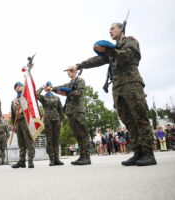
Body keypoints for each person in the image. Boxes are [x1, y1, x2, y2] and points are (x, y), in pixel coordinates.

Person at [69, 22, 157, 166]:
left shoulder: (130, 41)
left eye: (112, 29)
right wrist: (78, 65)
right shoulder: (113, 50)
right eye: (108, 30)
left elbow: (128, 56)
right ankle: (137, 153)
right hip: (118, 89)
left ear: (121, 29)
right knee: (129, 121)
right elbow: (97, 60)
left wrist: (109, 50)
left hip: (132, 85)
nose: (110, 32)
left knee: (140, 119)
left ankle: (148, 154)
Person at [52, 67, 91, 165]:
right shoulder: (70, 83)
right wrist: (52, 88)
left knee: (83, 134)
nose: (69, 73)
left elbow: (79, 93)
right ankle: (82, 156)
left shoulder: (80, 80)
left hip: (78, 111)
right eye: (68, 72)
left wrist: (67, 92)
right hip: (70, 112)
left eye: (71, 71)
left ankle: (87, 156)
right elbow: (60, 87)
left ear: (75, 71)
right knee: (77, 134)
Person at [37, 81, 64, 166]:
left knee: (56, 140)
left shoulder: (56, 98)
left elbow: (60, 110)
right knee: (49, 140)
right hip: (48, 120)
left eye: (49, 86)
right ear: (45, 89)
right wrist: (42, 87)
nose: (48, 87)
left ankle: (57, 159)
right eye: (47, 86)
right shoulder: (43, 98)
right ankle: (51, 159)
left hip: (56, 120)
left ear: (52, 87)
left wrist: (62, 120)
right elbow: (36, 95)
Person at [11, 82, 35, 168]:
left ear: (23, 88)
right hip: (18, 123)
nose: (18, 88)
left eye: (19, 86)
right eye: (16, 87)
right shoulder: (14, 101)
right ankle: (22, 161)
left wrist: (24, 110)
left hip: (26, 122)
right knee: (21, 143)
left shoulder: (27, 98)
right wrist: (12, 125)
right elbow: (13, 115)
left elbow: (31, 109)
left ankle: (30, 161)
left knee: (29, 142)